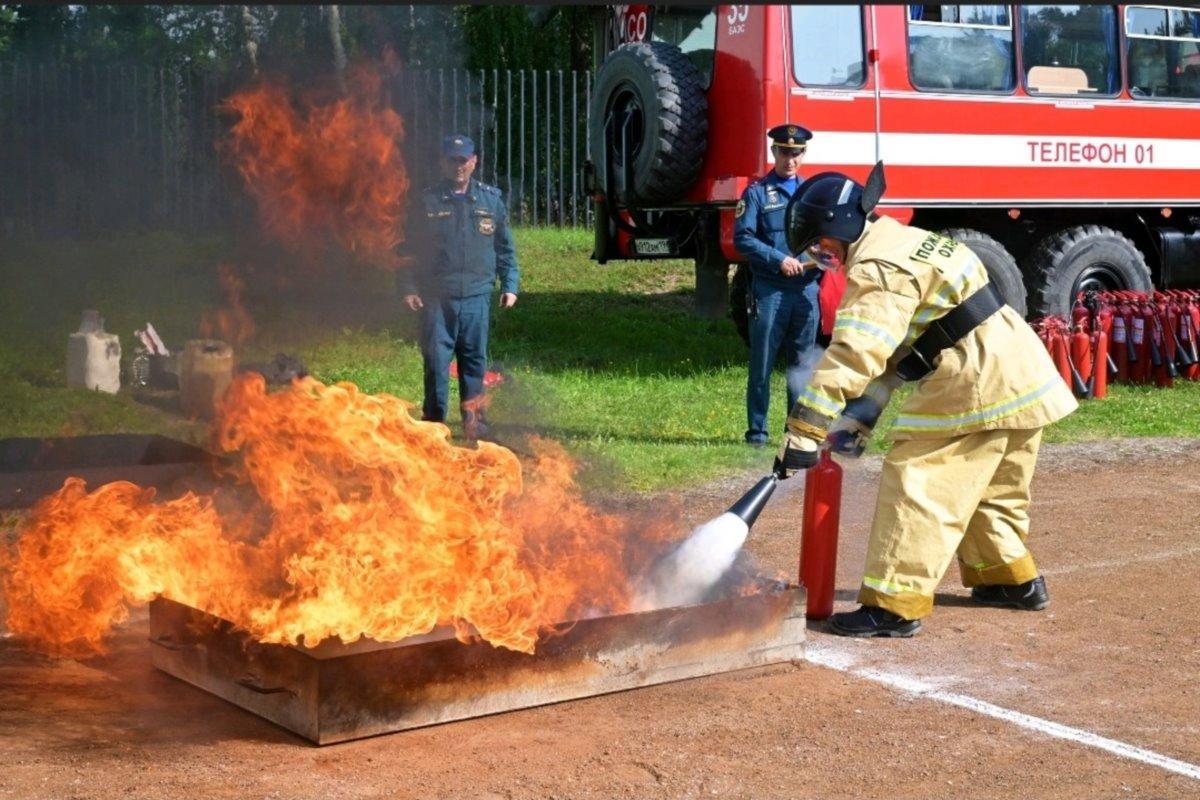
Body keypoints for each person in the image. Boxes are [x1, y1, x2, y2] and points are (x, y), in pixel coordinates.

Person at [774, 163, 1078, 638]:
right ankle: (1009, 581)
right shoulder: (908, 242)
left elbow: (858, 350)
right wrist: (862, 416)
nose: (821, 254)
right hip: (1020, 371)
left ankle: (893, 605)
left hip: (977, 381)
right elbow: (910, 346)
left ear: (841, 227)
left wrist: (805, 431)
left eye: (821, 242)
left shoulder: (879, 269)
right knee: (992, 490)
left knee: (918, 480)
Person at [401, 134, 518, 439]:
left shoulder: (491, 200)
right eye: (452, 160)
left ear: (474, 162)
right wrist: (408, 287)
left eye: (464, 160)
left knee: (474, 365)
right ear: (443, 162)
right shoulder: (426, 201)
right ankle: (435, 429)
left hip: (477, 297)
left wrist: (510, 284)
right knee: (437, 365)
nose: (458, 166)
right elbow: (408, 251)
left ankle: (475, 430)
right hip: (437, 299)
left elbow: (505, 248)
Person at [733, 124, 832, 447]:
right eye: (785, 152)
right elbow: (743, 239)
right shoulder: (757, 193)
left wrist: (821, 252)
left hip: (805, 292)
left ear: (804, 154)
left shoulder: (811, 194)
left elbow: (821, 239)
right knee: (762, 363)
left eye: (797, 153)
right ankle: (757, 435)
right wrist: (778, 259)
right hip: (770, 291)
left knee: (801, 366)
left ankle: (796, 433)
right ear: (774, 152)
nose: (791, 159)